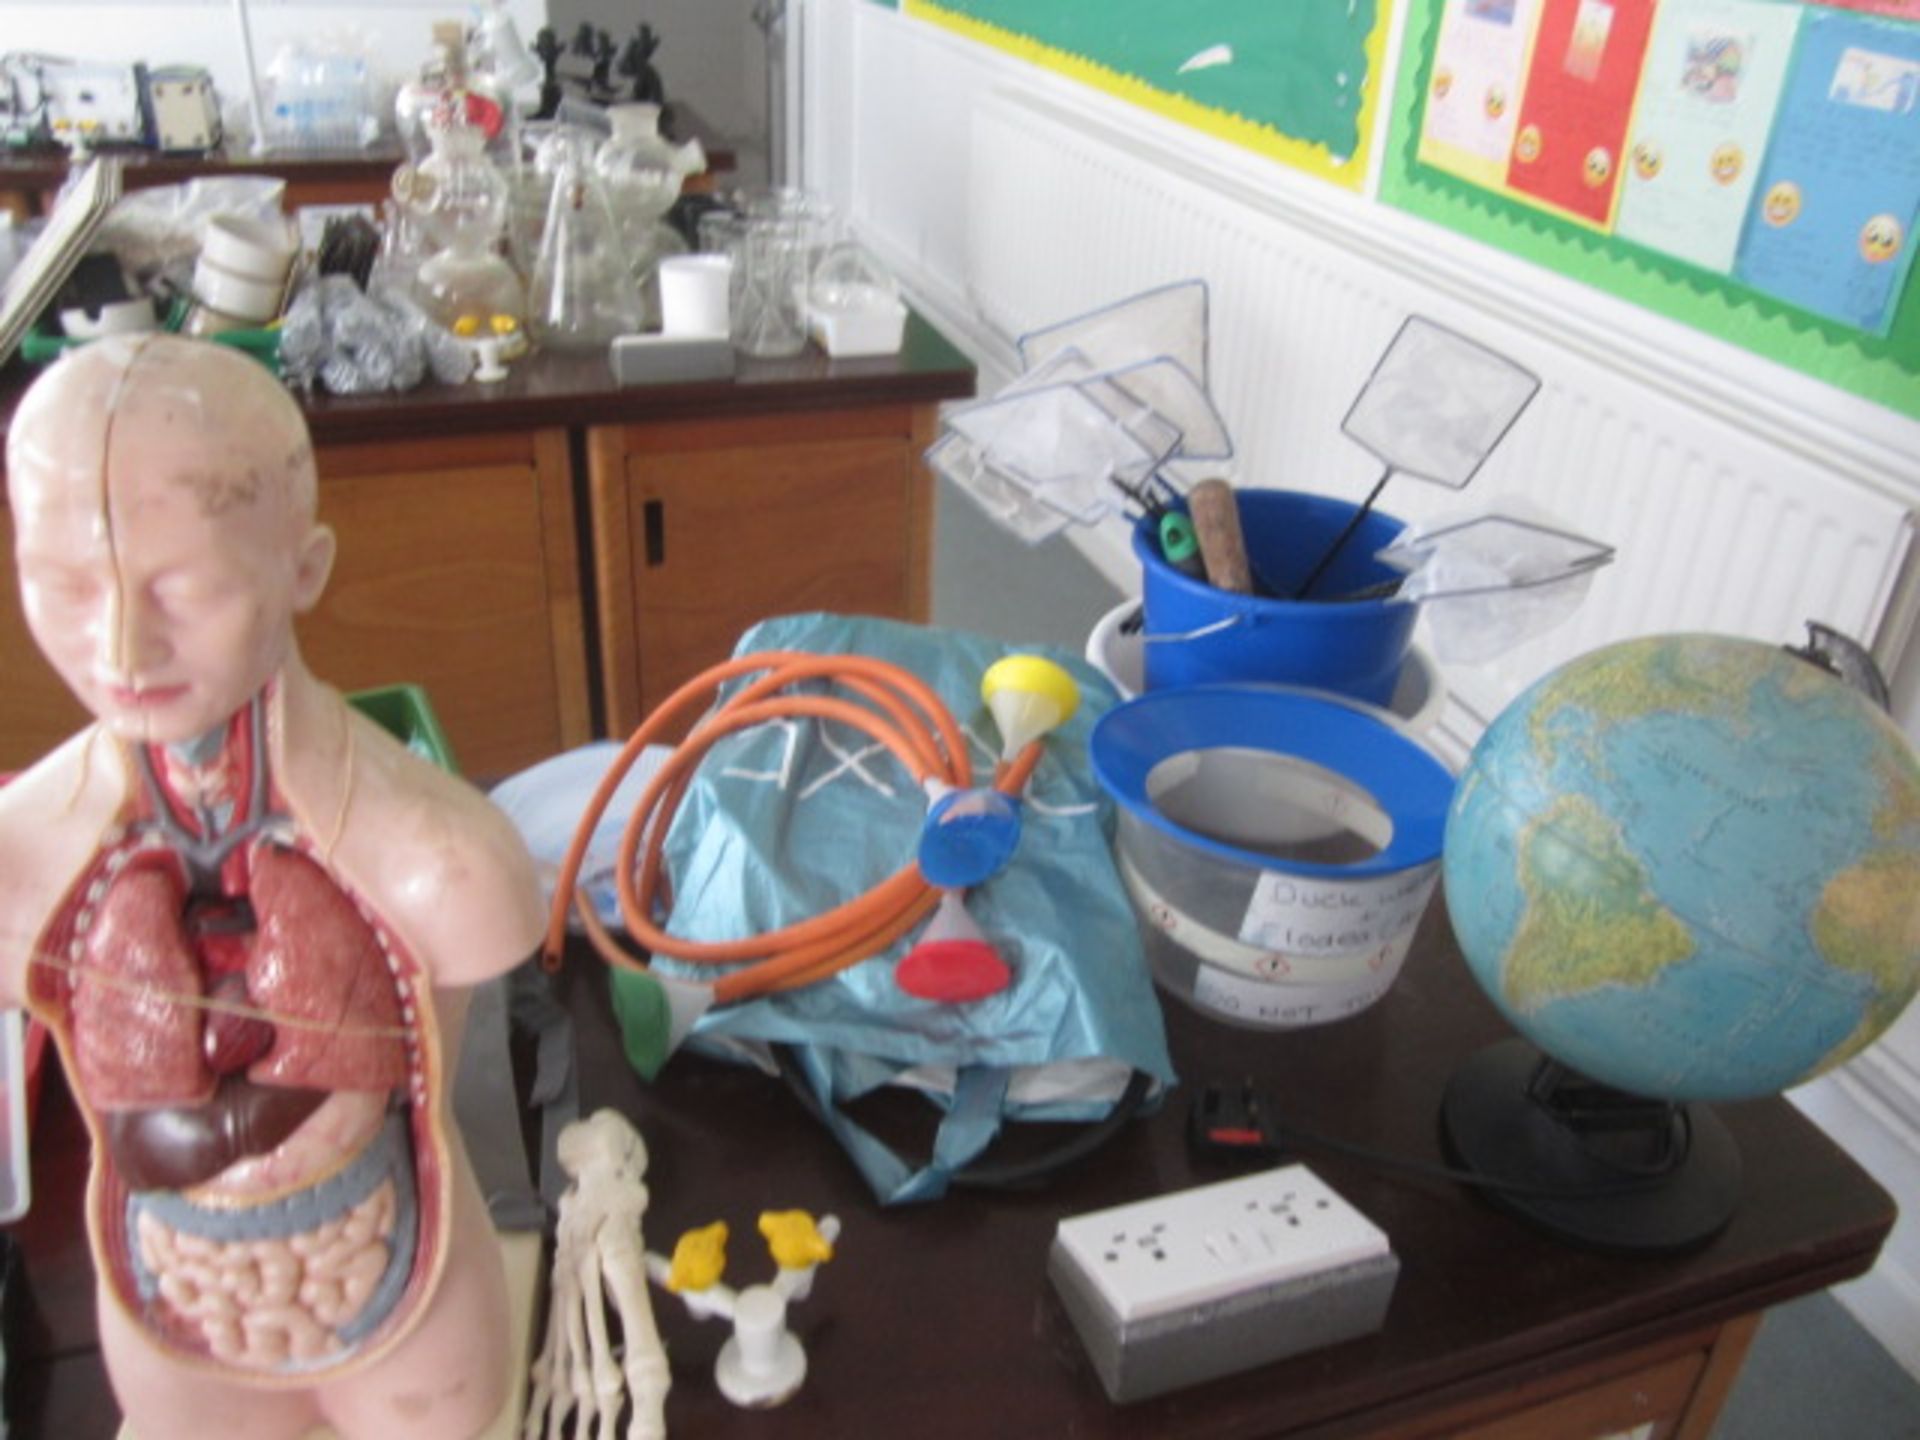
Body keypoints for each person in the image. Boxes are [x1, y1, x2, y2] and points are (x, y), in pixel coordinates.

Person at [0, 335, 545, 1438]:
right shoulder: (20, 859)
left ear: (306, 568)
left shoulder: (448, 860)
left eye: (183, 591)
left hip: (403, 1286)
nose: (121, 646)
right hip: (170, 1303)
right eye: (61, 588)